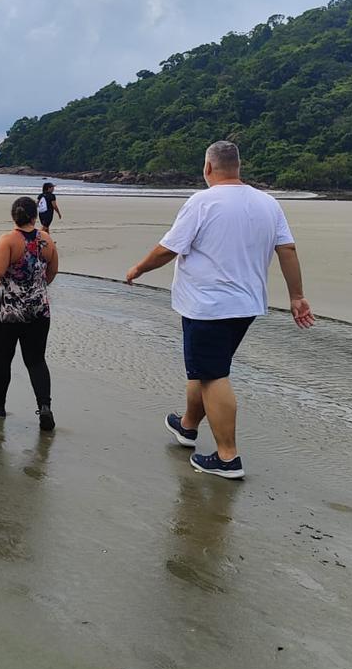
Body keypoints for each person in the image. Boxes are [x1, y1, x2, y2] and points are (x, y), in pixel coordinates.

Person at [125, 140, 314, 479]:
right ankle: (187, 426)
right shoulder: (267, 202)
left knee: (213, 376)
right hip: (245, 305)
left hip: (208, 305)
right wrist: (296, 295)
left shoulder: (203, 201)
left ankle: (228, 456)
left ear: (208, 167)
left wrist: (138, 269)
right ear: (238, 166)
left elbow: (169, 248)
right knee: (205, 368)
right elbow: (287, 249)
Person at [0, 197, 59, 430]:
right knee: (36, 360)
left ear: (14, 217)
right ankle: (45, 407)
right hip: (39, 309)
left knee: (2, 357)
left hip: (8, 309)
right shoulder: (46, 240)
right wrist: (37, 289)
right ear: (35, 216)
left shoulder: (8, 240)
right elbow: (53, 271)